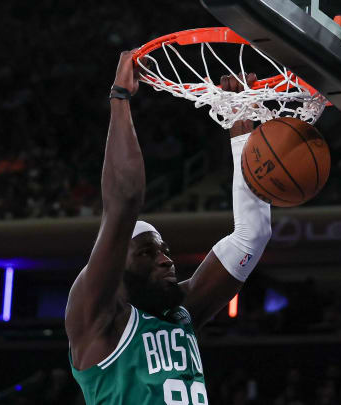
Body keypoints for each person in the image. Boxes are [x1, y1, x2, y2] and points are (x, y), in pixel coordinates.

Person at [64, 50, 271, 404]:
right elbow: (125, 198)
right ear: (117, 267)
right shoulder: (95, 318)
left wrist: (241, 119)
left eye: (165, 251)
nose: (165, 260)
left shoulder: (181, 311)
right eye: (147, 252)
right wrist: (120, 97)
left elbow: (253, 234)